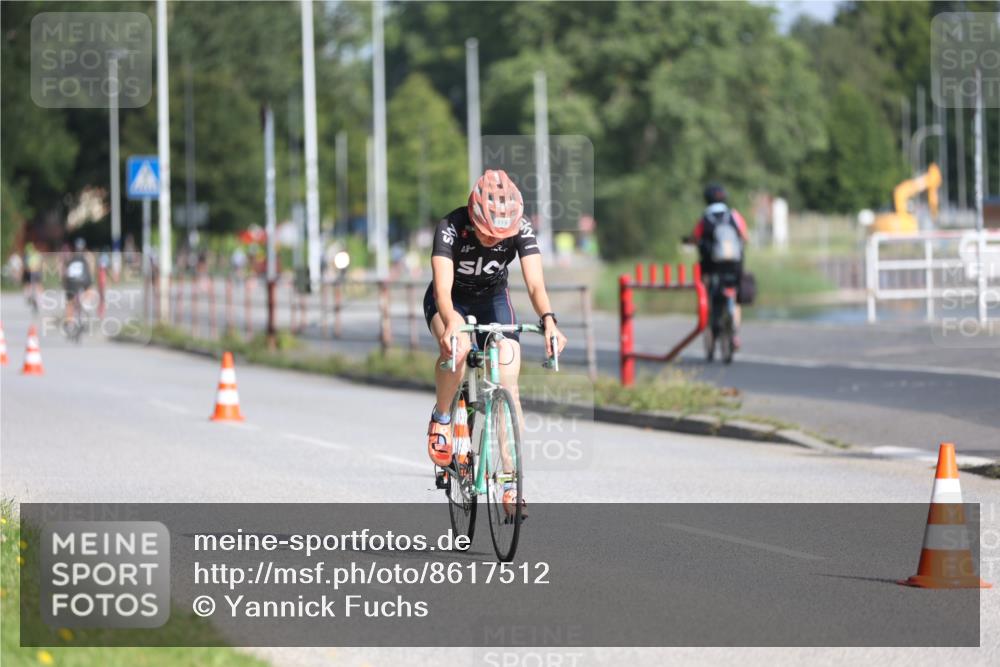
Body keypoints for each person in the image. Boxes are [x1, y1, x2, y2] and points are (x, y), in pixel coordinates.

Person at [424, 169, 567, 510]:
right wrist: (451, 323)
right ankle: (443, 417)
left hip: (492, 301)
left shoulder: (521, 227)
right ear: (473, 217)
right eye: (487, 234)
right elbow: (442, 290)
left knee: (508, 377)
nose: (493, 240)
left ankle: (509, 482)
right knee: (456, 349)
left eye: (500, 235)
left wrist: (549, 321)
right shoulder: (449, 227)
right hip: (451, 300)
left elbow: (535, 285)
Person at [690, 184, 749, 348]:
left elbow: (695, 238)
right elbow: (745, 236)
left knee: (706, 288)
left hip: (712, 265)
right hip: (734, 264)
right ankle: (735, 333)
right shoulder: (734, 215)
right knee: (735, 296)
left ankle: (710, 316)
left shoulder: (705, 218)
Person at [63, 238, 93, 325]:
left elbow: (65, 272)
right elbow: (89, 271)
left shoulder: (71, 258)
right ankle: (86, 303)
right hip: (83, 280)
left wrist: (64, 283)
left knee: (69, 302)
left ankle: (70, 323)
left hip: (71, 282)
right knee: (89, 288)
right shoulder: (87, 256)